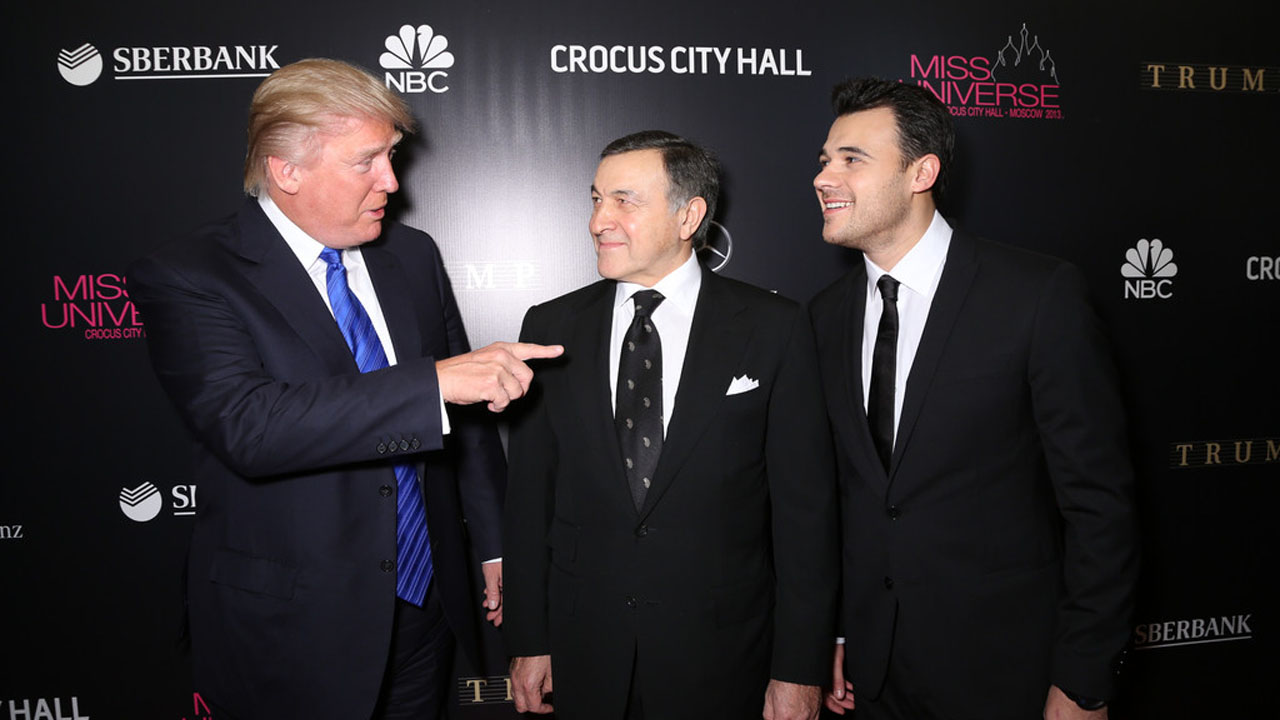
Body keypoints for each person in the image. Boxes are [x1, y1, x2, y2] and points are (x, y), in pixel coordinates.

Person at [128, 58, 561, 720]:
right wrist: (432, 383)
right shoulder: (192, 274)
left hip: (425, 609)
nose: (392, 181)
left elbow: (466, 420)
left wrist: (497, 543)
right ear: (287, 171)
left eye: (392, 155)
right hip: (292, 627)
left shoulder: (411, 255)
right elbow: (250, 427)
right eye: (367, 162)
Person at [809, 77, 1139, 720]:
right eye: (824, 160)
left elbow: (1099, 506)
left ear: (921, 172)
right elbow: (842, 500)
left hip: (1007, 674)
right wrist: (839, 631)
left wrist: (1084, 679)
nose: (824, 177)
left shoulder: (1036, 296)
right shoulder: (823, 317)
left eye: (852, 159)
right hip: (870, 679)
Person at [502, 131, 838, 720]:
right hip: (586, 653)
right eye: (595, 199)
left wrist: (798, 669)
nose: (598, 221)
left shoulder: (773, 327)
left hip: (723, 658)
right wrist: (529, 639)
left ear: (689, 216)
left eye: (624, 200)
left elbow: (805, 518)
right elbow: (530, 500)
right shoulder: (551, 325)